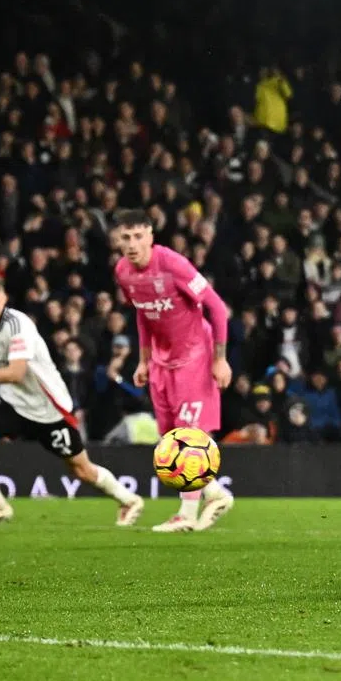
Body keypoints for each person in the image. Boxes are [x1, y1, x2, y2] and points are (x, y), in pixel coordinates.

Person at [0, 278, 144, 527]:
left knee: (81, 470)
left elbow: (15, 373)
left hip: (48, 408)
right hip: (13, 402)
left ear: (4, 298)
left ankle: (128, 500)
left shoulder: (18, 325)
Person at [113, 209, 235, 533]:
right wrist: (143, 360)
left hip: (196, 355)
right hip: (161, 362)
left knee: (189, 436)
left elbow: (217, 307)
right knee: (168, 440)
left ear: (151, 236)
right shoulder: (123, 272)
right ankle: (216, 494)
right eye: (125, 237)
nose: (132, 243)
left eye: (138, 236)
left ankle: (186, 514)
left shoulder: (172, 264)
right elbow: (143, 315)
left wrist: (220, 359)